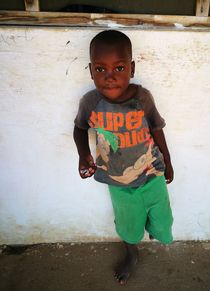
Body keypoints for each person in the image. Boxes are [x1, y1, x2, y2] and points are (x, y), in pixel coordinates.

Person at [73, 30, 174, 285]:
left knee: (162, 221)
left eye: (119, 67)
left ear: (132, 67)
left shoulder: (142, 98)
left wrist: (168, 161)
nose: (109, 76)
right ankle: (132, 254)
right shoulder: (90, 102)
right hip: (118, 181)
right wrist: (83, 154)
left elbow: (156, 129)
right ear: (90, 70)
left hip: (152, 172)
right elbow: (80, 127)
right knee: (129, 227)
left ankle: (154, 230)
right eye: (99, 69)